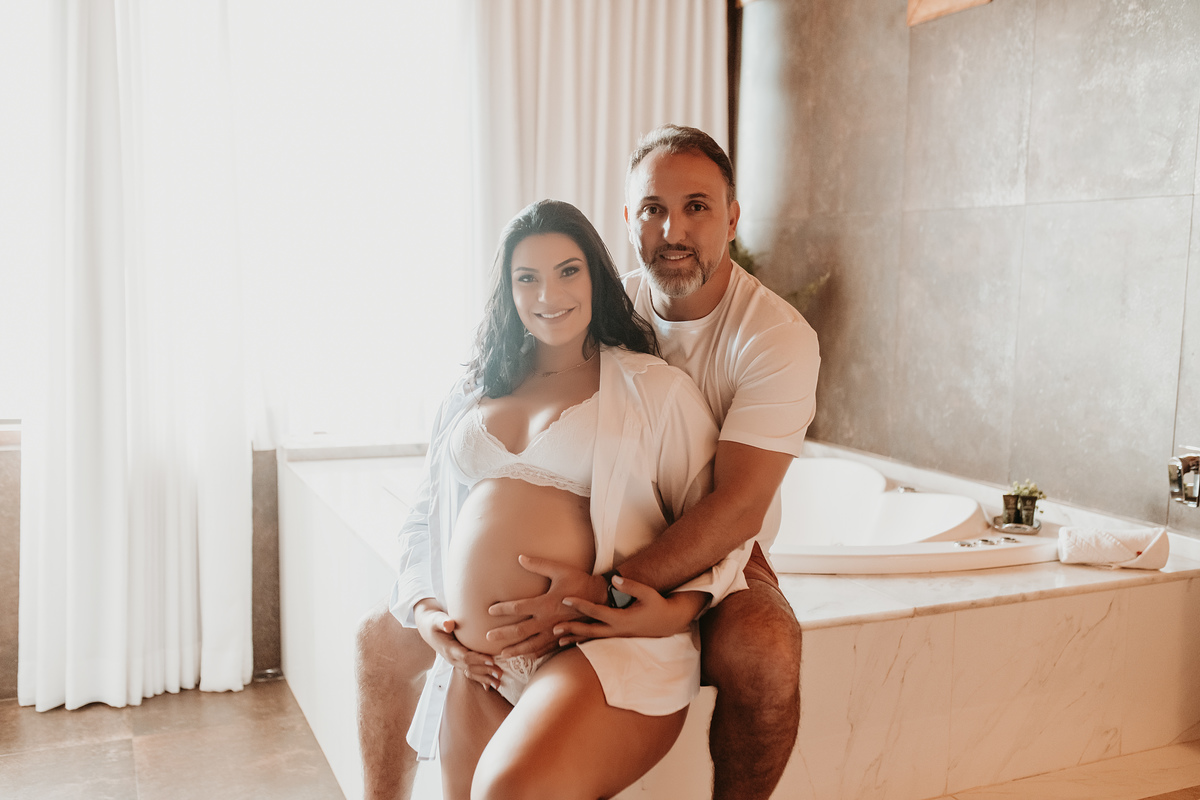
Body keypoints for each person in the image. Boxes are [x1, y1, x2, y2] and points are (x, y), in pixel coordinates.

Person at [355, 125, 819, 800]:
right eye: (654, 208)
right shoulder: (592, 313)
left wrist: (619, 596)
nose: (673, 229)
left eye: (696, 206)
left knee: (764, 650)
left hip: (713, 534)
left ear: (731, 217)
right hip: (490, 647)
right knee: (377, 636)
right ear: (628, 220)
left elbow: (736, 508)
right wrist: (429, 608)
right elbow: (430, 509)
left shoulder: (763, 339)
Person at [391, 198, 753, 799]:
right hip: (481, 663)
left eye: (567, 271)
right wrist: (427, 613)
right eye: (526, 278)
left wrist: (675, 610)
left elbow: (716, 525)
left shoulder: (653, 390)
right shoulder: (470, 393)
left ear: (595, 278)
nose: (547, 294)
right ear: (507, 291)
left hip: (597, 648)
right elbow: (424, 518)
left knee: (506, 791)